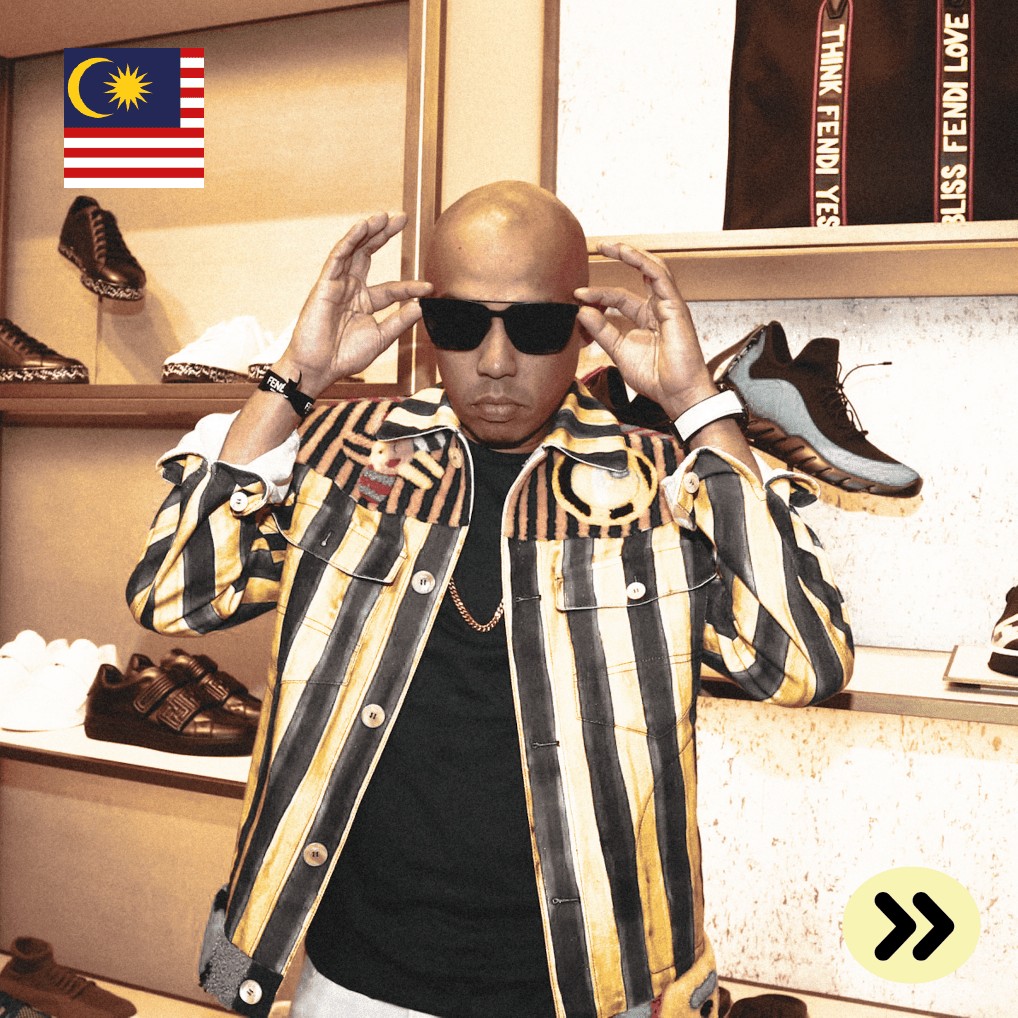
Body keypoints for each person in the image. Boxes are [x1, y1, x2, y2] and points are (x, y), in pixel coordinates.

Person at [127, 181, 853, 1018]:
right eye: (461, 323)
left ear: (584, 325)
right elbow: (176, 593)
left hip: (593, 987)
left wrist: (697, 406)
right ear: (425, 319)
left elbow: (802, 663)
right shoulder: (344, 458)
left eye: (536, 326)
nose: (497, 360)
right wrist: (296, 377)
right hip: (353, 979)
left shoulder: (660, 483)